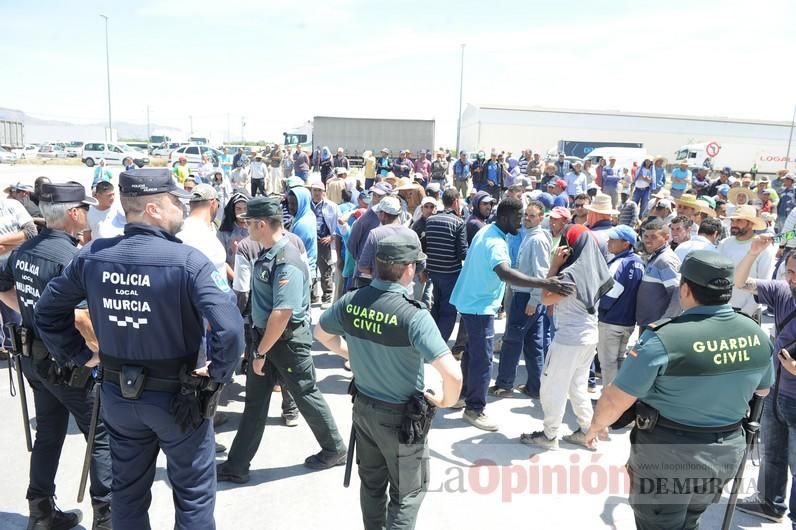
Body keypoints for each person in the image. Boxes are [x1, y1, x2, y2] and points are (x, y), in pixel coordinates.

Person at [34, 169, 245, 530]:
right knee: (193, 496)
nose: (182, 207)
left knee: (127, 496)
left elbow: (47, 311)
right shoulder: (188, 261)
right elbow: (230, 330)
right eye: (175, 202)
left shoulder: (93, 256)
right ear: (153, 209)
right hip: (179, 401)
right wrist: (216, 375)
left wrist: (81, 356)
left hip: (119, 397)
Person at [584, 251, 774, 530]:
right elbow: (763, 390)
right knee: (691, 520)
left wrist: (595, 426)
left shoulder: (665, 338)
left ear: (685, 288)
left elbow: (615, 398)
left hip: (667, 457)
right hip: (724, 455)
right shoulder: (755, 333)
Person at [314, 233, 463, 530]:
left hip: (364, 410)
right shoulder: (413, 314)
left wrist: (351, 354)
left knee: (371, 485)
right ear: (408, 268)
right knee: (408, 492)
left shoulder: (351, 301)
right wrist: (446, 401)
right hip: (400, 419)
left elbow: (320, 333)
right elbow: (453, 374)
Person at [0, 183, 112, 530]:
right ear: (74, 213)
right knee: (102, 435)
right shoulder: (73, 258)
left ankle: (40, 511)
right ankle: (106, 520)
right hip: (68, 363)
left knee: (49, 432)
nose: (88, 214)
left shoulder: (24, 250)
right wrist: (97, 355)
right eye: (85, 208)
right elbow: (80, 316)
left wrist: (33, 313)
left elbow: (4, 288)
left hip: (34, 357)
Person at [217, 197, 347, 483]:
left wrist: (261, 351)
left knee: (306, 394)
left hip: (285, 342)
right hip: (267, 339)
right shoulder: (268, 253)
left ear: (261, 224)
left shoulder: (285, 258)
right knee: (255, 402)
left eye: (249, 223)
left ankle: (335, 449)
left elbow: (282, 313)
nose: (245, 227)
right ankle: (237, 465)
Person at [449, 197, 576, 431]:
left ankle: (464, 395)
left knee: (472, 353)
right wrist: (546, 283)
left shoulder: (488, 230)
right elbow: (505, 273)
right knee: (483, 359)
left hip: (470, 301)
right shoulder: (496, 242)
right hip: (479, 306)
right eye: (519, 217)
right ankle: (475, 408)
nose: (521, 222)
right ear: (506, 217)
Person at [521, 224, 613, 449]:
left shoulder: (571, 274)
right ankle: (587, 432)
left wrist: (554, 265)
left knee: (553, 387)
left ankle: (549, 435)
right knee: (577, 387)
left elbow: (545, 297)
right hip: (589, 336)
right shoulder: (596, 269)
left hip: (569, 339)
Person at [735, 236, 796, 523]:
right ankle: (770, 504)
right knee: (772, 452)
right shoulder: (783, 292)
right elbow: (740, 283)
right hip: (776, 389)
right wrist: (752, 253)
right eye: (789, 271)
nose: (792, 278)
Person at [491, 200, 551, 398]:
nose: (527, 219)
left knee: (512, 342)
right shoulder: (530, 236)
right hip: (528, 296)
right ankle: (536, 387)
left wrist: (534, 301)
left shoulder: (537, 239)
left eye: (532, 216)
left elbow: (541, 273)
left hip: (526, 297)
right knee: (533, 345)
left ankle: (504, 385)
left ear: (541, 218)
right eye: (526, 215)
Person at [596, 225, 644, 386]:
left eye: (613, 240)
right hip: (628, 322)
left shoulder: (621, 262)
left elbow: (611, 293)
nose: (609, 242)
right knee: (619, 361)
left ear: (626, 244)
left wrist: (597, 309)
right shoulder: (638, 262)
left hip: (611, 321)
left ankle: (609, 401)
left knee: (608, 363)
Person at [424, 189, 468, 341]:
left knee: (435, 307)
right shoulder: (459, 222)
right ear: (456, 201)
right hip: (451, 274)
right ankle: (439, 345)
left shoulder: (430, 220)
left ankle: (430, 341)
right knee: (448, 311)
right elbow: (462, 253)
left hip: (433, 272)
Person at [718, 205, 775, 318]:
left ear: (750, 223)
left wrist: (745, 313)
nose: (734, 224)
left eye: (739, 220)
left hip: (748, 312)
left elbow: (763, 284)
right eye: (733, 220)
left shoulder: (764, 248)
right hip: (722, 309)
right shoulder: (724, 244)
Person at [636, 218, 682, 329]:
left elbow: (678, 294)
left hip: (657, 327)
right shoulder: (655, 257)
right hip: (648, 325)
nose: (647, 241)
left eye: (653, 237)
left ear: (666, 238)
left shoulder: (665, 260)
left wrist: (664, 323)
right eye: (646, 236)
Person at [310, 181, 340, 309]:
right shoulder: (307, 205)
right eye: (314, 190)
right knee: (310, 269)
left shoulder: (331, 206)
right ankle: (312, 296)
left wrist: (331, 237)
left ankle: (327, 297)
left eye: (319, 190)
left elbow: (338, 225)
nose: (316, 193)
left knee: (325, 270)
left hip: (324, 242)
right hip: (310, 242)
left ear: (323, 192)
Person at [217, 192, 250, 269]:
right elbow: (221, 260)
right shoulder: (224, 232)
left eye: (245, 209)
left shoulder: (255, 230)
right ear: (233, 210)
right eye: (238, 209)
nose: (242, 213)